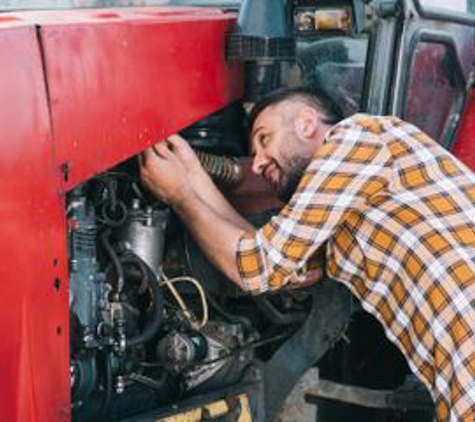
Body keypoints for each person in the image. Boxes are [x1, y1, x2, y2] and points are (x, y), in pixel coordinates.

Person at [140, 86, 475, 421]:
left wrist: (181, 195)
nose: (256, 163)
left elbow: (258, 266)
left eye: (264, 138)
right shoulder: (349, 213)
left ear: (306, 122)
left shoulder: (357, 138)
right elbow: (257, 248)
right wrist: (193, 176)